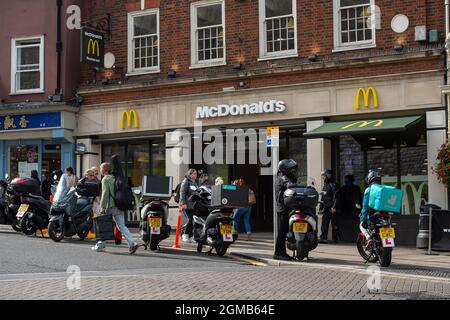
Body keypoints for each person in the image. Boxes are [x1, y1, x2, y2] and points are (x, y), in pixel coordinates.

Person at [91, 159, 139, 254]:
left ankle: (100, 245)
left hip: (110, 206)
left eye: (100, 169)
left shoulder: (106, 179)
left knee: (103, 224)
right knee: (121, 226)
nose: (100, 171)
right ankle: (132, 243)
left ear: (103, 170)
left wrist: (102, 207)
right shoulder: (116, 177)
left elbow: (105, 194)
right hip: (119, 205)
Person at [273, 159, 298, 261]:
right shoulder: (283, 177)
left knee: (283, 232)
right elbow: (289, 185)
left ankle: (282, 252)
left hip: (285, 208)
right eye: (291, 169)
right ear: (285, 169)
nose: (293, 171)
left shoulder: (283, 176)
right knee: (282, 233)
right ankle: (279, 253)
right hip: (284, 209)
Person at [318, 170, 338, 244]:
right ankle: (323, 238)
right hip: (326, 208)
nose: (323, 177)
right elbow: (323, 198)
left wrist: (334, 206)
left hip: (331, 208)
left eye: (324, 176)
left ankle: (336, 239)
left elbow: (335, 197)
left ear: (328, 176)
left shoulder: (333, 185)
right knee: (324, 223)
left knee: (334, 224)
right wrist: (320, 208)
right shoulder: (325, 186)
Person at [180, 168, 198, 243]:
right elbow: (182, 192)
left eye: (196, 173)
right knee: (190, 219)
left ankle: (190, 236)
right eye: (194, 173)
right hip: (187, 204)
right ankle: (185, 234)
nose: (196, 175)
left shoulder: (195, 182)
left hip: (193, 205)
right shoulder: (186, 181)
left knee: (194, 220)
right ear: (190, 174)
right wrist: (183, 203)